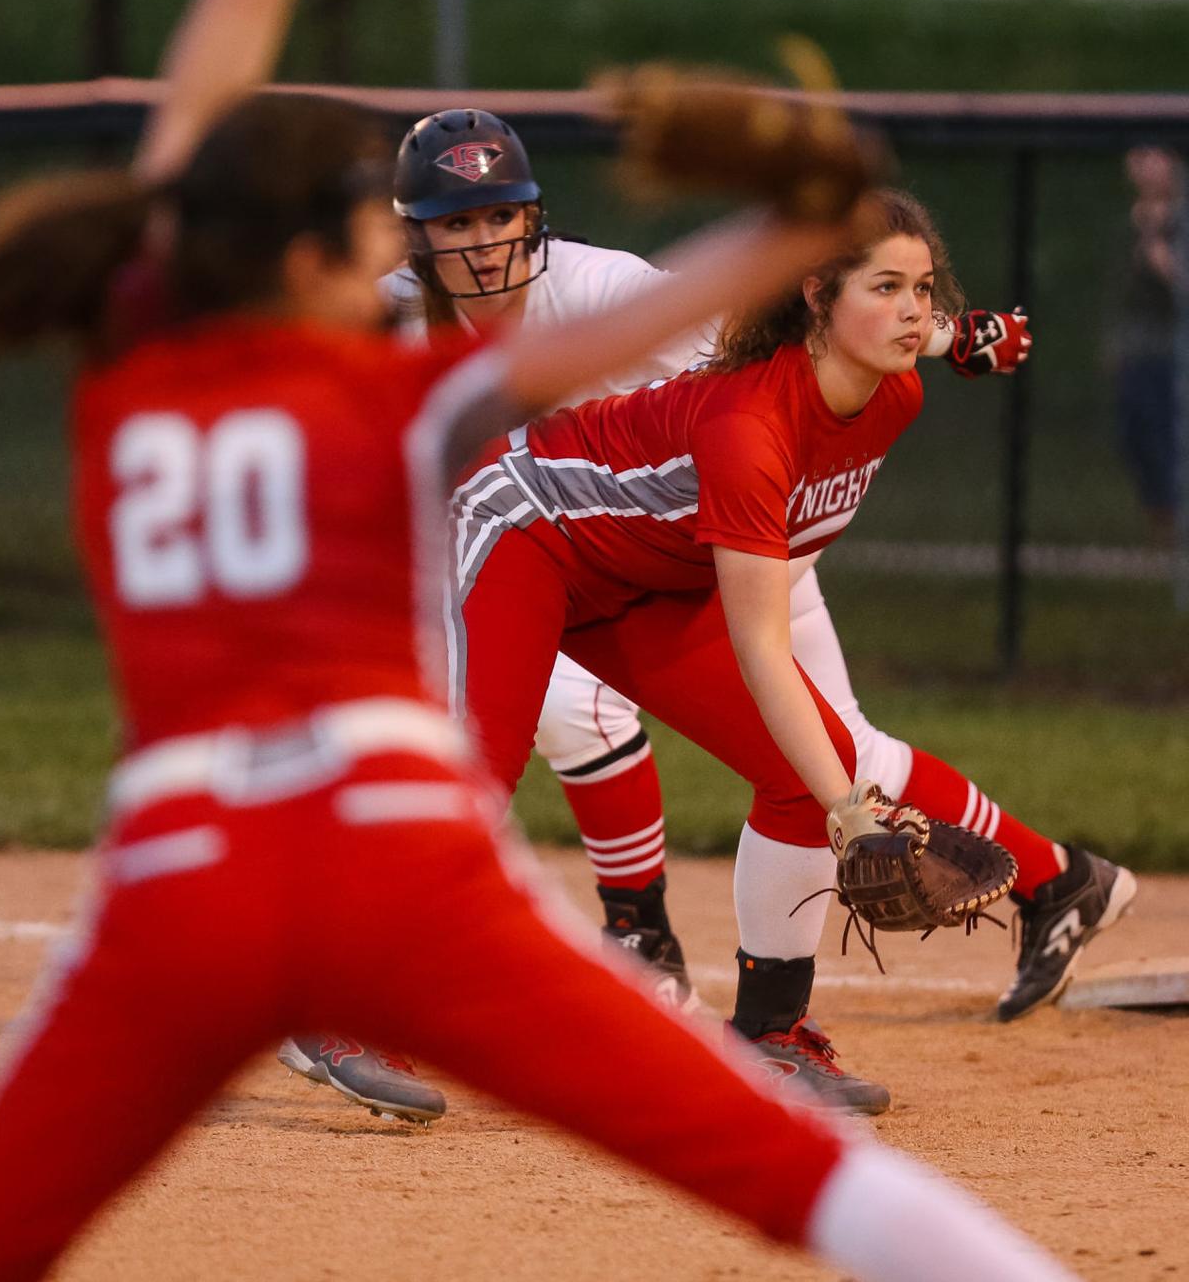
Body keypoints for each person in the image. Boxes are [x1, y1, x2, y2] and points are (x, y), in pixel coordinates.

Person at [0, 0, 1083, 1280]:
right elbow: (594, 353)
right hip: (390, 861)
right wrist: (808, 224)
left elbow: (197, 119)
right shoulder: (401, 388)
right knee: (784, 1172)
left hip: (178, 876)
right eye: (383, 226)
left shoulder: (133, 374)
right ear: (325, 264)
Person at [445, 186, 1137, 1118]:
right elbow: (762, 648)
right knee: (480, 772)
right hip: (530, 527)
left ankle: (771, 1034)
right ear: (815, 296)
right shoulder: (749, 430)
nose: (912, 309)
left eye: (923, 288)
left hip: (650, 572)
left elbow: (899, 332)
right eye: (885, 286)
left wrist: (958, 336)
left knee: (800, 770)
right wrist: (852, 810)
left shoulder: (893, 392)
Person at [1111, 146, 1183, 543]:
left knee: (1168, 438)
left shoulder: (1179, 219)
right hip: (1137, 347)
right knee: (1135, 436)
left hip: (1174, 348)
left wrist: (1159, 248)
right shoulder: (1131, 219)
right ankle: (1162, 527)